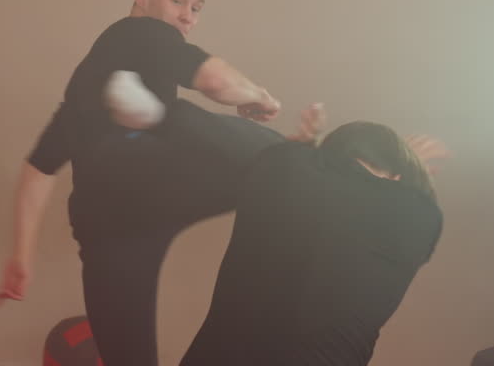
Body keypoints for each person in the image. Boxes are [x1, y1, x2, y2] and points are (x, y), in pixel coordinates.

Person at [0, 0, 292, 366]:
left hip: (108, 228)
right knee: (262, 158)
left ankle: (163, 120)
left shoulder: (87, 81)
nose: (188, 15)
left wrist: (21, 256)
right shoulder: (139, 32)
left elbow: (38, 168)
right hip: (147, 187)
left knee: (128, 360)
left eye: (197, 7)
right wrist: (260, 97)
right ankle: (173, 122)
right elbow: (213, 78)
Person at [180, 112, 446, 366]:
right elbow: (408, 201)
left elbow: (303, 172)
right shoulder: (417, 217)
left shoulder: (278, 168)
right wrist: (413, 169)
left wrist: (308, 146)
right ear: (394, 178)